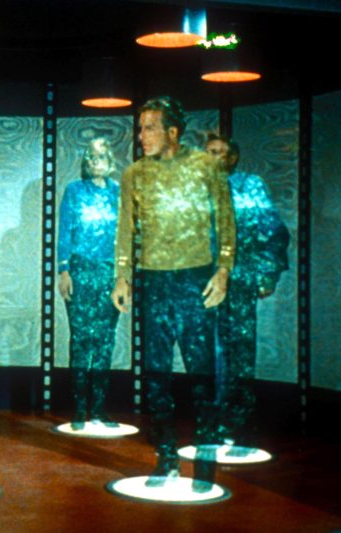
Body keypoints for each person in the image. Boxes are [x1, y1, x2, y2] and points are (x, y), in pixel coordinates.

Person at [111, 96, 235, 491]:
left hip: (195, 279)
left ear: (173, 132)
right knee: (156, 372)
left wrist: (223, 270)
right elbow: (125, 229)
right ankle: (165, 456)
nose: (141, 136)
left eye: (149, 127)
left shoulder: (206, 166)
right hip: (153, 281)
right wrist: (122, 276)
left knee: (201, 370)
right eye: (140, 128)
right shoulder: (134, 174)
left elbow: (226, 220)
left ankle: (206, 459)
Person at [206, 133, 290, 450]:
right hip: (201, 283)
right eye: (208, 152)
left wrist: (267, 274)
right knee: (205, 351)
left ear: (233, 157)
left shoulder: (250, 186)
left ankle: (237, 421)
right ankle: (211, 420)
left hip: (239, 280)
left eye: (218, 152)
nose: (212, 158)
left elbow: (273, 229)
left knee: (239, 350)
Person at [57, 138, 121, 430]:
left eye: (102, 157)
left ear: (110, 161)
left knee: (106, 340)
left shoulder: (118, 192)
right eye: (92, 157)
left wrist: (123, 277)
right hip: (80, 270)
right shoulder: (74, 190)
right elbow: (64, 232)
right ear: (86, 162)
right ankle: (79, 409)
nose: (98, 162)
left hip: (109, 273)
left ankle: (99, 409)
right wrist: (64, 270)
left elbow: (125, 235)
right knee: (81, 339)